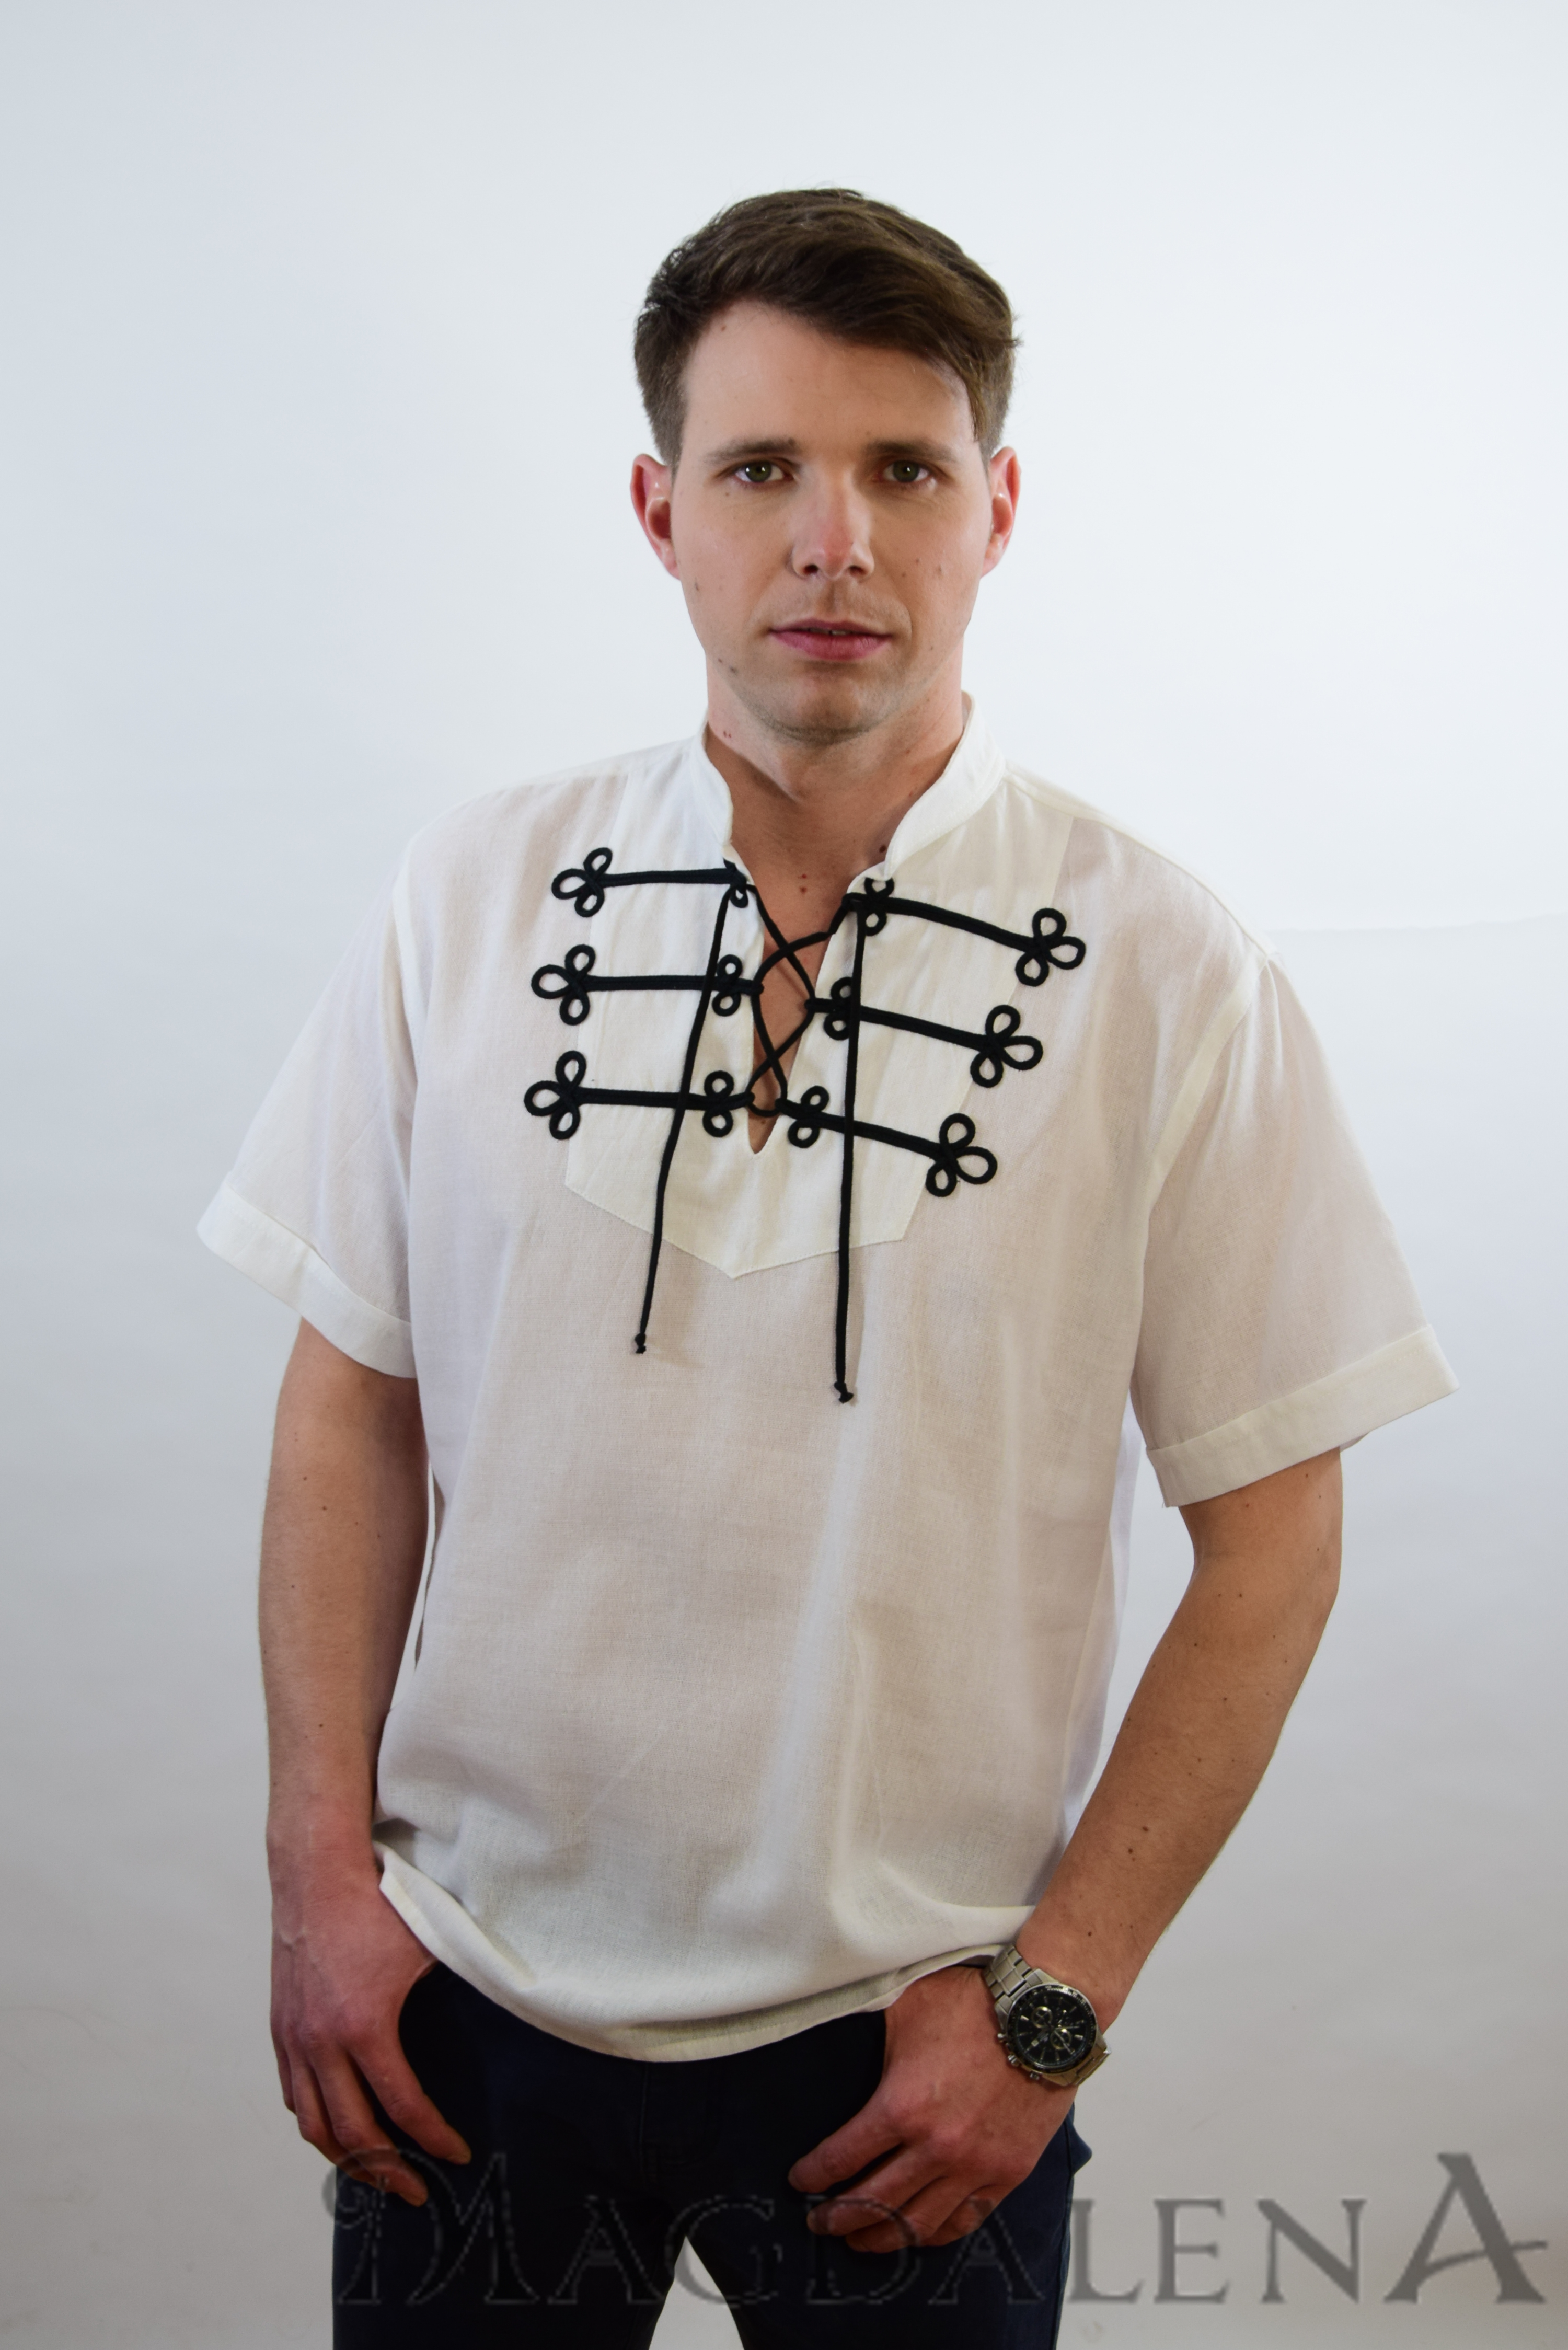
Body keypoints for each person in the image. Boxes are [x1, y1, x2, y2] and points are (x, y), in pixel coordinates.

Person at [200, 190, 1455, 2347]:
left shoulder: (1170, 972)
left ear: (999, 510)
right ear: (661, 511)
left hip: (916, 2041)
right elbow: (354, 1403)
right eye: (763, 467)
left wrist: (1054, 2004)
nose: (833, 541)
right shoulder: (472, 896)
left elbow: (1275, 1538)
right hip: (464, 2009)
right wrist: (320, 1881)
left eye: (905, 471)